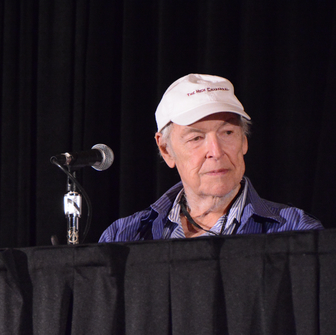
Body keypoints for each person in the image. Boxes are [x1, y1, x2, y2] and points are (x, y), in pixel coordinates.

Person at [99, 73, 323, 242]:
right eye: (196, 138)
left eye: (227, 133)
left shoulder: (297, 232)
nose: (216, 151)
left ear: (244, 141)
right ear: (166, 149)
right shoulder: (123, 238)